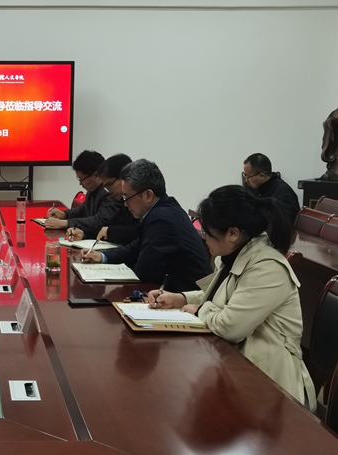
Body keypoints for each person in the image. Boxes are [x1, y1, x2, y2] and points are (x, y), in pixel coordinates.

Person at [147, 185, 316, 411]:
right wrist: (181, 299)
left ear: (233, 233)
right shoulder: (233, 255)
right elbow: (221, 297)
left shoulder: (267, 267)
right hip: (235, 366)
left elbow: (230, 326)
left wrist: (199, 310)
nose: (204, 237)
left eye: (208, 232)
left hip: (273, 387)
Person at [81, 159, 212, 292]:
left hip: (188, 296)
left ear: (148, 195)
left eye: (127, 198)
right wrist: (103, 256)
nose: (125, 204)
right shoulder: (164, 209)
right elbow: (136, 247)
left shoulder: (162, 219)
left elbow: (145, 271)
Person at [66, 154, 139, 245]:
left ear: (124, 179)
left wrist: (109, 231)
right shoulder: (124, 202)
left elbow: (138, 233)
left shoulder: (136, 202)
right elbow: (107, 227)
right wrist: (84, 233)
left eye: (109, 185)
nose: (108, 190)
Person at [45, 150, 119, 232]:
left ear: (96, 175)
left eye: (81, 179)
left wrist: (65, 223)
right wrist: (64, 214)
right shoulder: (92, 189)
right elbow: (83, 210)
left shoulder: (110, 193)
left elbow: (100, 221)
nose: (80, 183)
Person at [243, 153, 300, 222]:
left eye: (248, 176)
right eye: (244, 175)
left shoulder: (283, 193)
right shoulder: (257, 187)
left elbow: (278, 221)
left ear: (261, 176)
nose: (246, 180)